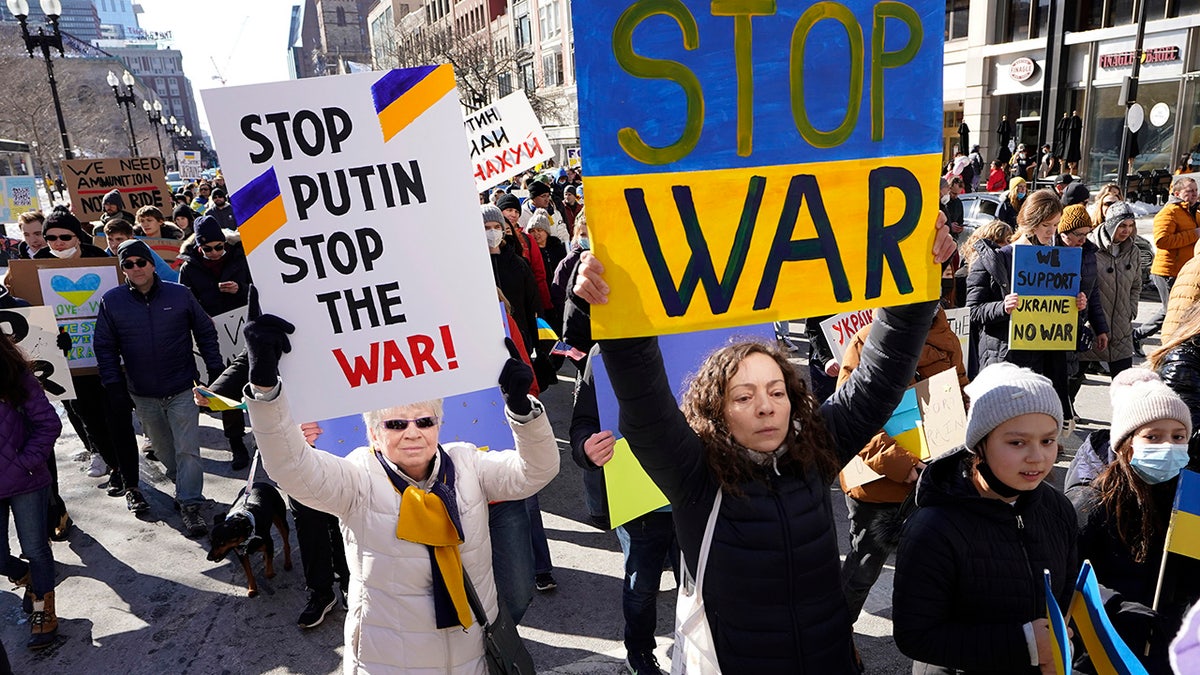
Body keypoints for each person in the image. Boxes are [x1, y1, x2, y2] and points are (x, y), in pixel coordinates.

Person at [569, 213, 956, 672]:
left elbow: (882, 373)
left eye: (776, 392)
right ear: (716, 409)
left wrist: (915, 281)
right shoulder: (694, 475)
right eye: (744, 396)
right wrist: (616, 310)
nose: (766, 407)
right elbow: (644, 403)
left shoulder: (815, 450)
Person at [239, 309, 559, 673]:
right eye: (395, 424)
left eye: (424, 421)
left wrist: (522, 411)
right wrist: (266, 390)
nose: (412, 432)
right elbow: (291, 469)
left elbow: (537, 471)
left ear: (439, 425)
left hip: (470, 660)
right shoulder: (359, 478)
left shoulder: (467, 464)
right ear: (374, 433)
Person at [893, 363, 1077, 674]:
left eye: (1047, 441)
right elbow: (916, 636)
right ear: (980, 444)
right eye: (1017, 442)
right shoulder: (934, 528)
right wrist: (1025, 644)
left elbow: (1066, 595)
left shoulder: (1057, 508)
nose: (1037, 457)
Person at [837, 307, 968, 630]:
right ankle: (834, 634)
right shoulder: (865, 341)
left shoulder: (946, 337)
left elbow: (960, 390)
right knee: (864, 568)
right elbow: (850, 418)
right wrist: (904, 464)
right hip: (877, 482)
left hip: (932, 475)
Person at [1066, 369, 1200, 674]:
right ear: (1126, 444)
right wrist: (1115, 606)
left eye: (1178, 437)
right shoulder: (1091, 502)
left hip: (1166, 647)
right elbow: (1064, 571)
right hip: (1102, 651)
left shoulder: (1189, 497)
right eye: (1153, 436)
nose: (1168, 446)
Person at [94, 239, 224, 537]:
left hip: (182, 388)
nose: (136, 268)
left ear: (152, 263)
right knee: (166, 450)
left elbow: (205, 331)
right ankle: (184, 488)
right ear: (122, 268)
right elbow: (104, 345)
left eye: (141, 262)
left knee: (188, 449)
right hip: (142, 393)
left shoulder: (180, 294)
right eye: (128, 264)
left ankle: (190, 504)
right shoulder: (112, 301)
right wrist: (113, 384)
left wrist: (215, 368)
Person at [571, 351, 679, 675]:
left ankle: (707, 649)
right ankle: (640, 654)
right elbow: (583, 422)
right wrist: (586, 449)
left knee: (705, 584)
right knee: (642, 586)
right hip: (640, 503)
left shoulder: (697, 330)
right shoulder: (604, 351)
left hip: (696, 496)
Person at [967, 189, 1087, 418]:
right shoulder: (996, 259)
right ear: (1030, 223)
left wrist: (1077, 305)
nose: (1052, 232)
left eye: (1056, 225)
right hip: (1005, 361)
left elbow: (1059, 315)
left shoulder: (1058, 262)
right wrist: (1003, 307)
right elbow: (973, 311)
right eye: (1046, 226)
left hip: (1044, 365)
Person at [0, 332, 63, 650]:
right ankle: (29, 578)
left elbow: (49, 424)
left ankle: (43, 611)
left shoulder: (14, 375)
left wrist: (26, 461)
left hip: (26, 481)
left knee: (36, 549)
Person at [177, 215, 252, 470]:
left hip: (245, 329)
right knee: (227, 389)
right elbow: (185, 301)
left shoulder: (242, 256)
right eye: (207, 249)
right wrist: (201, 313)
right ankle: (236, 442)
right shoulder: (188, 268)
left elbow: (261, 287)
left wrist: (241, 289)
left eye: (218, 247)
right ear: (199, 247)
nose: (214, 252)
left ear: (225, 243)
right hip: (214, 337)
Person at [1079, 202, 1142, 381]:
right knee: (1073, 381)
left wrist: (1131, 309)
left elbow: (1136, 285)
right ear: (1111, 224)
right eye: (1122, 225)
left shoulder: (1133, 251)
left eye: (1130, 225)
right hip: (1093, 325)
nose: (1126, 230)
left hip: (1122, 327)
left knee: (1126, 384)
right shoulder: (1089, 247)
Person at [1057, 204, 1109, 422]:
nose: (1082, 239)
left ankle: (1064, 416)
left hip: (1076, 324)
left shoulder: (1088, 254)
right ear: (1063, 232)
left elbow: (1093, 293)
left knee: (1071, 373)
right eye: (1078, 234)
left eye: (1086, 234)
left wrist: (1100, 328)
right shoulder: (1048, 251)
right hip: (1049, 324)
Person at [1135, 177, 1200, 347]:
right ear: (1177, 193)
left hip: (1186, 272)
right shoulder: (1169, 212)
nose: (1194, 194)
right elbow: (1162, 241)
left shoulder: (1195, 212)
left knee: (1179, 310)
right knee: (1172, 311)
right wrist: (1194, 234)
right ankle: (1138, 335)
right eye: (1189, 191)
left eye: (1195, 190)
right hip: (1168, 271)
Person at [483, 204, 539, 356]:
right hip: (489, 341)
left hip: (520, 335)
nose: (492, 232)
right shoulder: (475, 267)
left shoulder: (518, 264)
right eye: (486, 228)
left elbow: (532, 303)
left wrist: (537, 343)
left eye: (496, 227)